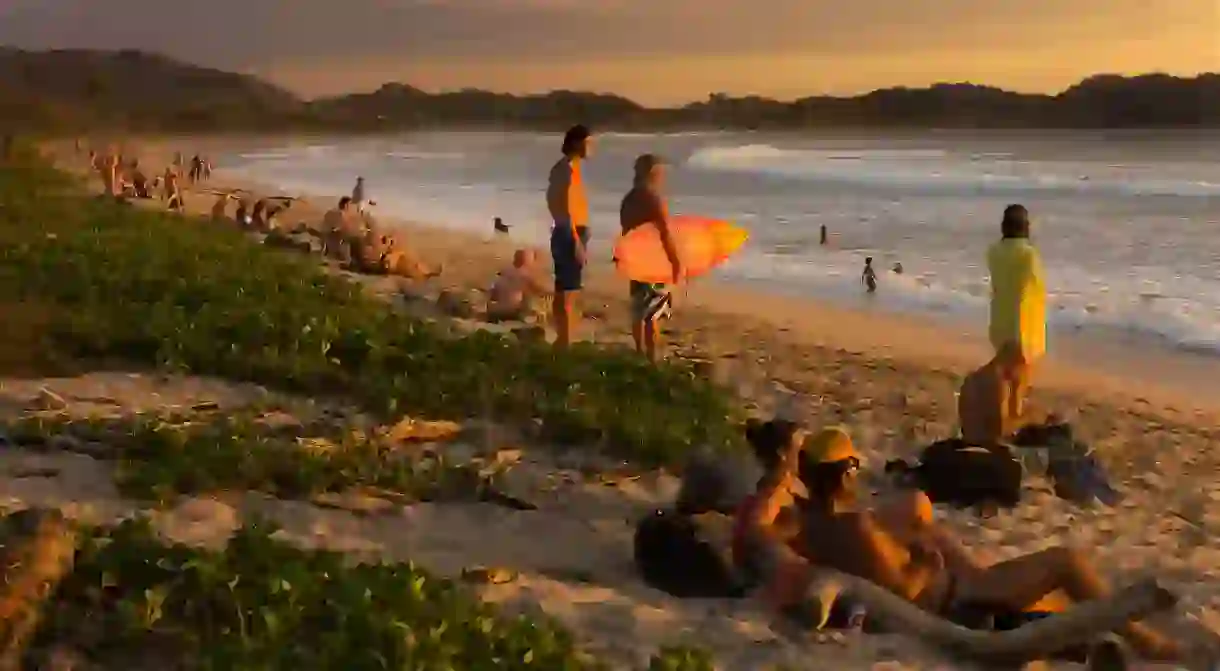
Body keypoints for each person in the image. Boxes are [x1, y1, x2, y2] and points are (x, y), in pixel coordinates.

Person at [792, 426, 1184, 661]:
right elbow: (906, 589)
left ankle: (1098, 636)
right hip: (961, 597)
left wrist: (913, 540)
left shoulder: (811, 527)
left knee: (1059, 597)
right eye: (854, 466)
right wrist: (926, 559)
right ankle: (1146, 642)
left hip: (956, 590)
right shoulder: (857, 526)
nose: (858, 474)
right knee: (1066, 562)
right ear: (845, 474)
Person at [987, 204, 1045, 429]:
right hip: (1022, 323)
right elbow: (1035, 289)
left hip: (1000, 319)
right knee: (1020, 376)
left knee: (1004, 372)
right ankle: (1012, 414)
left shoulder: (993, 252)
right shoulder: (1029, 255)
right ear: (1025, 227)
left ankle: (1002, 413)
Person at [619, 154, 682, 362]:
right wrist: (676, 262)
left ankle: (639, 351)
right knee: (653, 313)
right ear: (652, 173)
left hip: (634, 260)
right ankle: (652, 358)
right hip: (653, 262)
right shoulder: (654, 199)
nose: (663, 177)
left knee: (639, 308)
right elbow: (665, 233)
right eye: (661, 172)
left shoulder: (628, 200)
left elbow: (625, 232)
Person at [546, 125, 593, 349]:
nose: (592, 148)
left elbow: (552, 201)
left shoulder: (564, 168)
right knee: (569, 290)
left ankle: (562, 337)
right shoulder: (568, 170)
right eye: (589, 143)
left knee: (564, 287)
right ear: (577, 143)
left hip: (564, 229)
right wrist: (575, 240)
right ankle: (564, 340)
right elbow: (565, 206)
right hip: (570, 231)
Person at [487, 249, 550, 322]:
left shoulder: (503, 272)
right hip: (513, 313)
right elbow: (540, 292)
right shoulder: (524, 276)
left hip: (495, 313)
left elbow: (492, 294)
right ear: (527, 261)